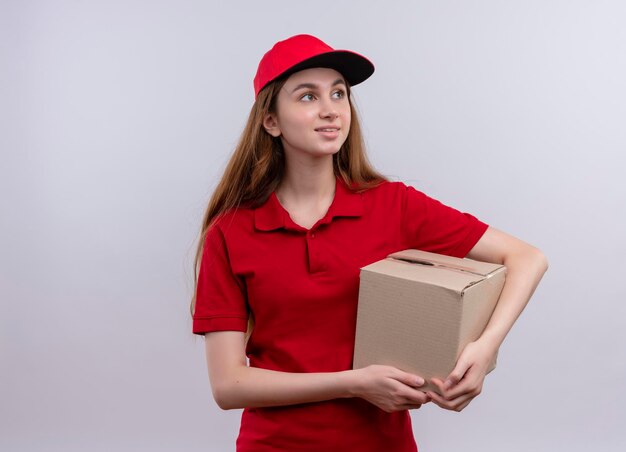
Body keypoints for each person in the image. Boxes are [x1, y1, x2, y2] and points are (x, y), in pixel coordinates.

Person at [190, 34, 548, 451]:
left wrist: (484, 349)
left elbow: (526, 258)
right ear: (271, 120)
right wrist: (353, 384)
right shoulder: (231, 232)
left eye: (338, 94)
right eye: (307, 97)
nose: (330, 110)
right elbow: (228, 385)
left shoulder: (392, 205)